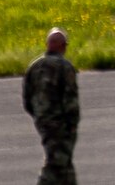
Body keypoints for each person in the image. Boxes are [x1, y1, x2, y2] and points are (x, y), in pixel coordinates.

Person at [23, 27, 82, 185]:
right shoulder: (65, 67)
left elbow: (26, 99)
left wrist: (40, 116)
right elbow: (71, 100)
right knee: (56, 162)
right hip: (60, 124)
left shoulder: (33, 67)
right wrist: (72, 124)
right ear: (63, 46)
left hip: (43, 121)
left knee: (64, 161)